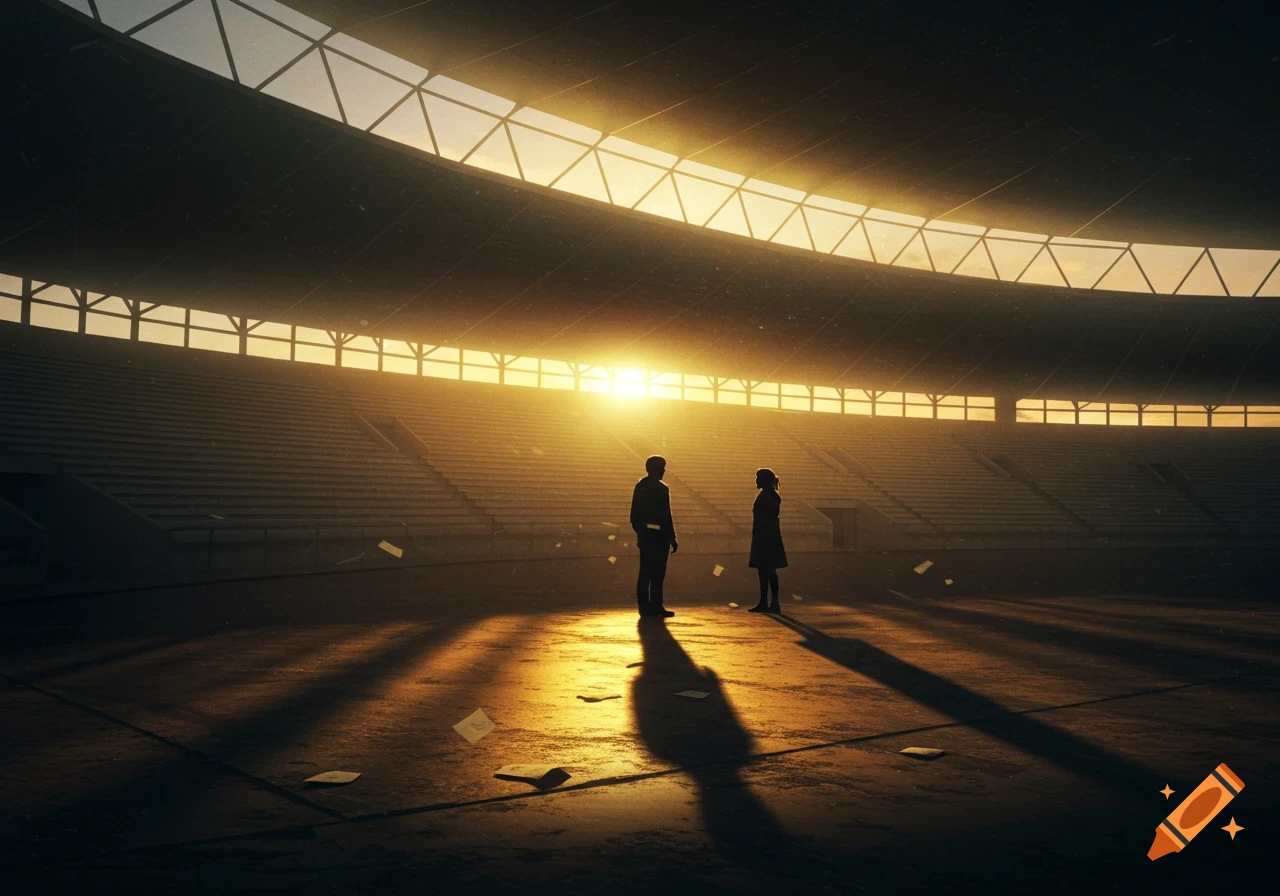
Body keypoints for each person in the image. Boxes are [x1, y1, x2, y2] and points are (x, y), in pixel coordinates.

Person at [630, 455, 679, 618]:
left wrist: (641, 533)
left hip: (648, 536)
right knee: (657, 573)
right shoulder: (662, 488)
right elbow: (666, 515)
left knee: (645, 572)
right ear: (657, 469)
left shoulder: (641, 486)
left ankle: (644, 607)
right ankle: (657, 605)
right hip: (660, 537)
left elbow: (634, 515)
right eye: (662, 468)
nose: (664, 471)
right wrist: (672, 537)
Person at [747, 468, 787, 614]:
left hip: (766, 537)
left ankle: (772, 602)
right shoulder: (769, 495)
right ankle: (766, 601)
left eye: (758, 478)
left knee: (768, 570)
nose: (756, 481)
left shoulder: (768, 496)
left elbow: (766, 517)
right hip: (766, 536)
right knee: (765, 570)